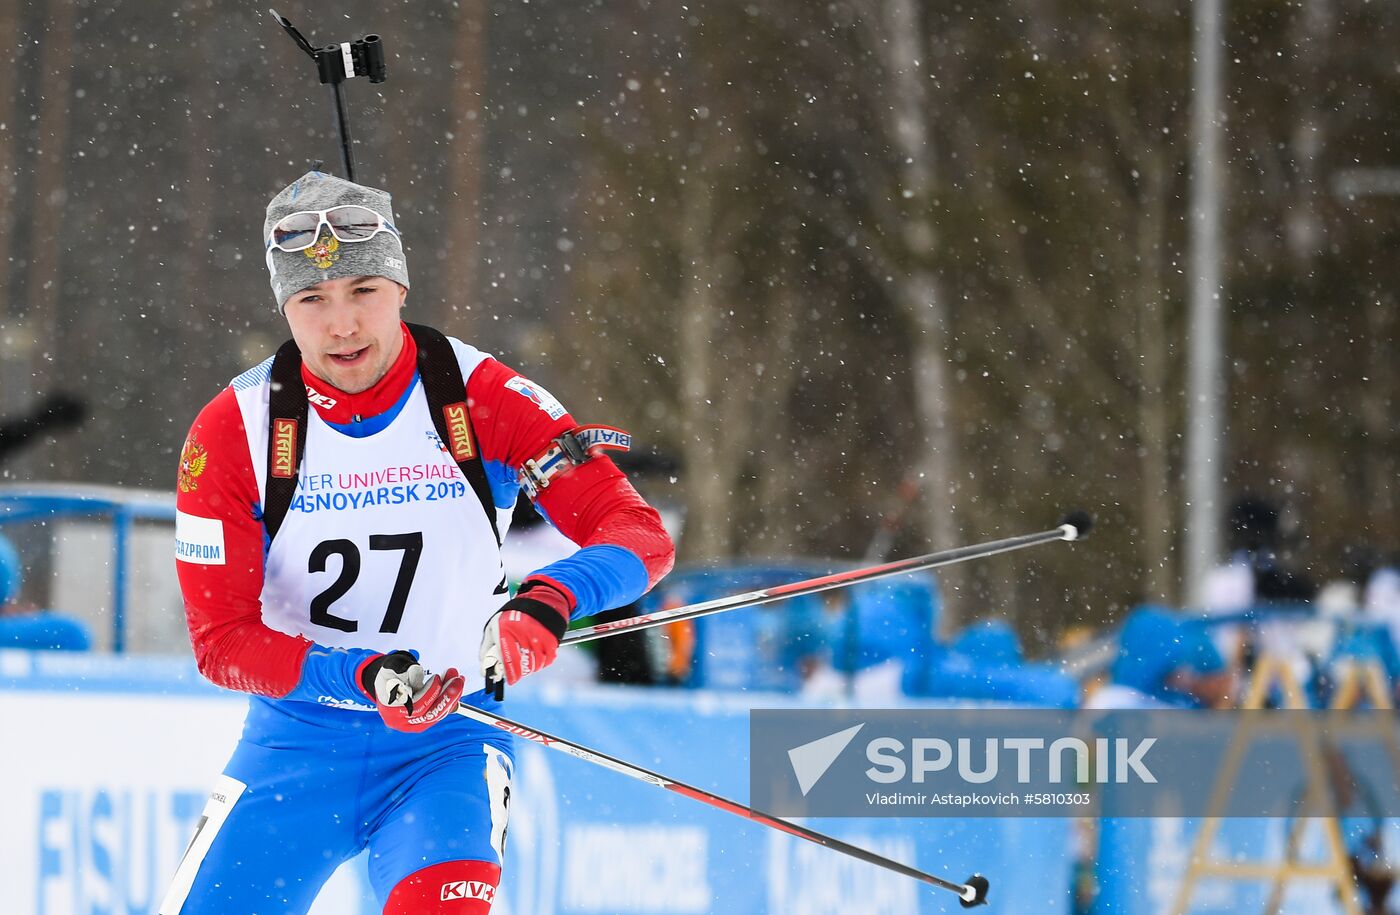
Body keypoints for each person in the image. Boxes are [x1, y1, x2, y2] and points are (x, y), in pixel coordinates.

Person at [162, 171, 674, 914]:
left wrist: (552, 600)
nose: (342, 325)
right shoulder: (231, 431)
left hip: (450, 739)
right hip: (298, 744)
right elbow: (222, 642)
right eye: (312, 299)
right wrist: (360, 675)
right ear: (284, 307)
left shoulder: (484, 397)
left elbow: (637, 531)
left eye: (363, 290)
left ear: (402, 287)